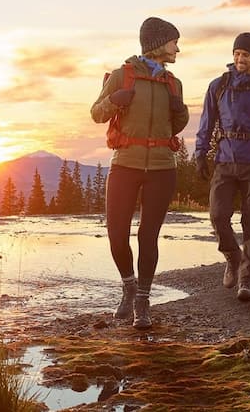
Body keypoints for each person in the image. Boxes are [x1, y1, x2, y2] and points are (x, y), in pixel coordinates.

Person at [90, 16, 189, 328]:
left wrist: (179, 109)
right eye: (174, 41)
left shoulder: (174, 83)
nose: (178, 48)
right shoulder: (123, 75)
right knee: (117, 236)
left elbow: (177, 125)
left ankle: (143, 301)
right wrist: (113, 99)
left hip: (162, 167)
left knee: (149, 236)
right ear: (158, 44)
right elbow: (96, 113)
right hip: (125, 165)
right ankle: (128, 286)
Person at [194, 32, 250, 301]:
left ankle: (246, 279)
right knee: (218, 216)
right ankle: (233, 257)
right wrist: (200, 154)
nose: (240, 59)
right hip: (224, 160)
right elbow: (206, 122)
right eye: (236, 54)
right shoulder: (218, 86)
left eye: (245, 55)